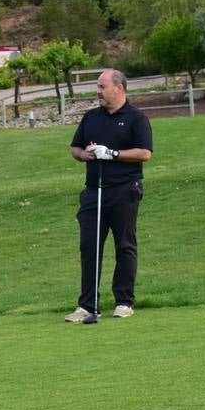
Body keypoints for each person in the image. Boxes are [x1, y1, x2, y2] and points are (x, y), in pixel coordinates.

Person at [65, 69, 153, 323]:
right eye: (98, 87)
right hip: (94, 192)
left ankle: (124, 302)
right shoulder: (91, 117)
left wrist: (112, 153)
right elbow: (75, 147)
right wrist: (84, 155)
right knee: (89, 247)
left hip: (124, 190)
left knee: (124, 245)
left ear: (119, 88)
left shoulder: (136, 118)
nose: (98, 92)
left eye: (102, 87)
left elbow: (145, 153)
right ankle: (87, 306)